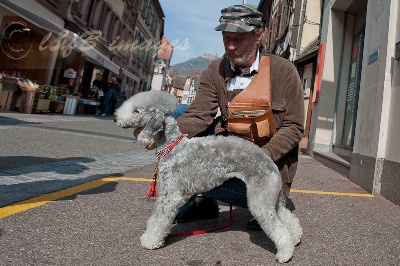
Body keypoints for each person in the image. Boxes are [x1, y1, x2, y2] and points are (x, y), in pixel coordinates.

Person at [174, 5, 304, 230]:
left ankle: (271, 206)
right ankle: (203, 201)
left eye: (239, 38)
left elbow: (294, 127)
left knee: (263, 198)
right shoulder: (215, 70)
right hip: (229, 163)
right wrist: (165, 136)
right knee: (176, 114)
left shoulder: (284, 71)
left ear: (258, 35)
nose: (231, 46)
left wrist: (260, 158)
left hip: (265, 170)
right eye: (226, 38)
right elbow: (198, 114)